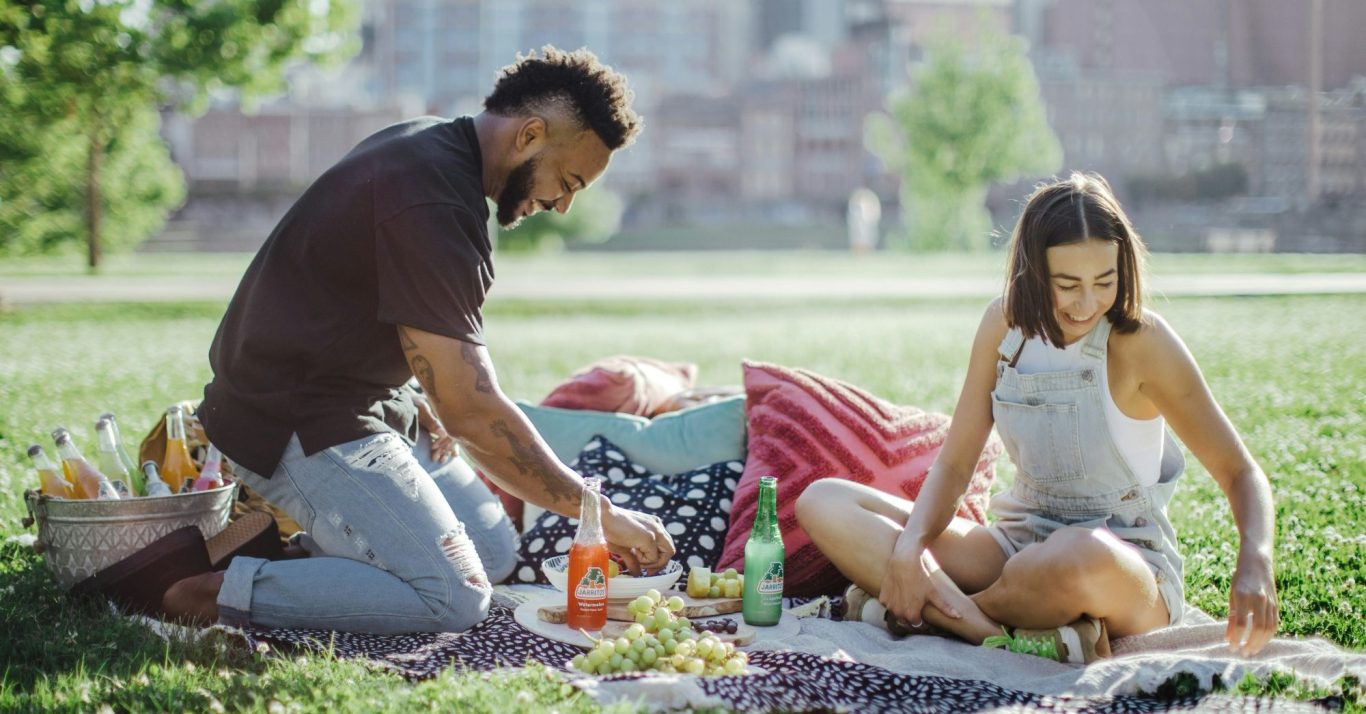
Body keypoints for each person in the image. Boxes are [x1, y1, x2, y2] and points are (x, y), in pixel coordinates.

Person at [96, 47, 676, 634]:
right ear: (530, 134)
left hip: (365, 404)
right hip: (295, 422)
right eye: (569, 180)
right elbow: (472, 412)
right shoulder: (431, 200)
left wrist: (420, 393)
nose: (563, 203)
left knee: (495, 553)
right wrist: (599, 514)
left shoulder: (432, 146)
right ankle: (198, 592)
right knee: (454, 596)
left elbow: (371, 311)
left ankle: (302, 558)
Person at [796, 172, 1279, 663]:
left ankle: (935, 614)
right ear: (1031, 271)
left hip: (1119, 564)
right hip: (1016, 543)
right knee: (825, 501)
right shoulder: (1003, 326)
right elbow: (955, 465)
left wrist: (1256, 559)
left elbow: (1241, 472)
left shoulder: (1143, 343)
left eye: (1104, 281)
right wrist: (910, 548)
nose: (1087, 303)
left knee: (1075, 555)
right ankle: (997, 629)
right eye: (1067, 284)